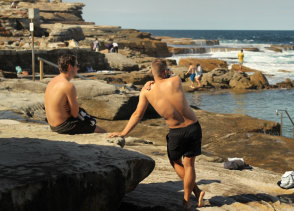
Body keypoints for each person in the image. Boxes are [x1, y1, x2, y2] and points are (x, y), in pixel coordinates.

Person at [107, 59, 205, 209]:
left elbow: (137, 115)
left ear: (151, 72)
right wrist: (162, 74)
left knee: (175, 161)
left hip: (176, 131)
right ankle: (191, 197)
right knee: (189, 165)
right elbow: (171, 74)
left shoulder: (146, 91)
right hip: (193, 127)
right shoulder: (176, 80)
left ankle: (192, 197)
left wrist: (123, 132)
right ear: (165, 72)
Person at [44, 55, 106, 134]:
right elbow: (75, 114)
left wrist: (69, 108)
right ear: (70, 67)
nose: (78, 68)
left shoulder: (52, 82)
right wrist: (71, 109)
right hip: (64, 126)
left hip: (52, 126)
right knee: (102, 131)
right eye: (77, 65)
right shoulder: (68, 86)